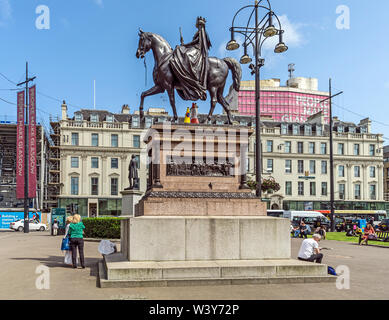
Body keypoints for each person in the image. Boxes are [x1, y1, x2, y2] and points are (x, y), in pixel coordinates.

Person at [170, 16, 212, 102]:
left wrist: (185, 45)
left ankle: (187, 72)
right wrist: (184, 44)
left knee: (185, 54)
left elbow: (195, 42)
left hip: (197, 49)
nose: (199, 26)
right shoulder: (199, 32)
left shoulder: (201, 32)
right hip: (194, 47)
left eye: (200, 24)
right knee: (181, 49)